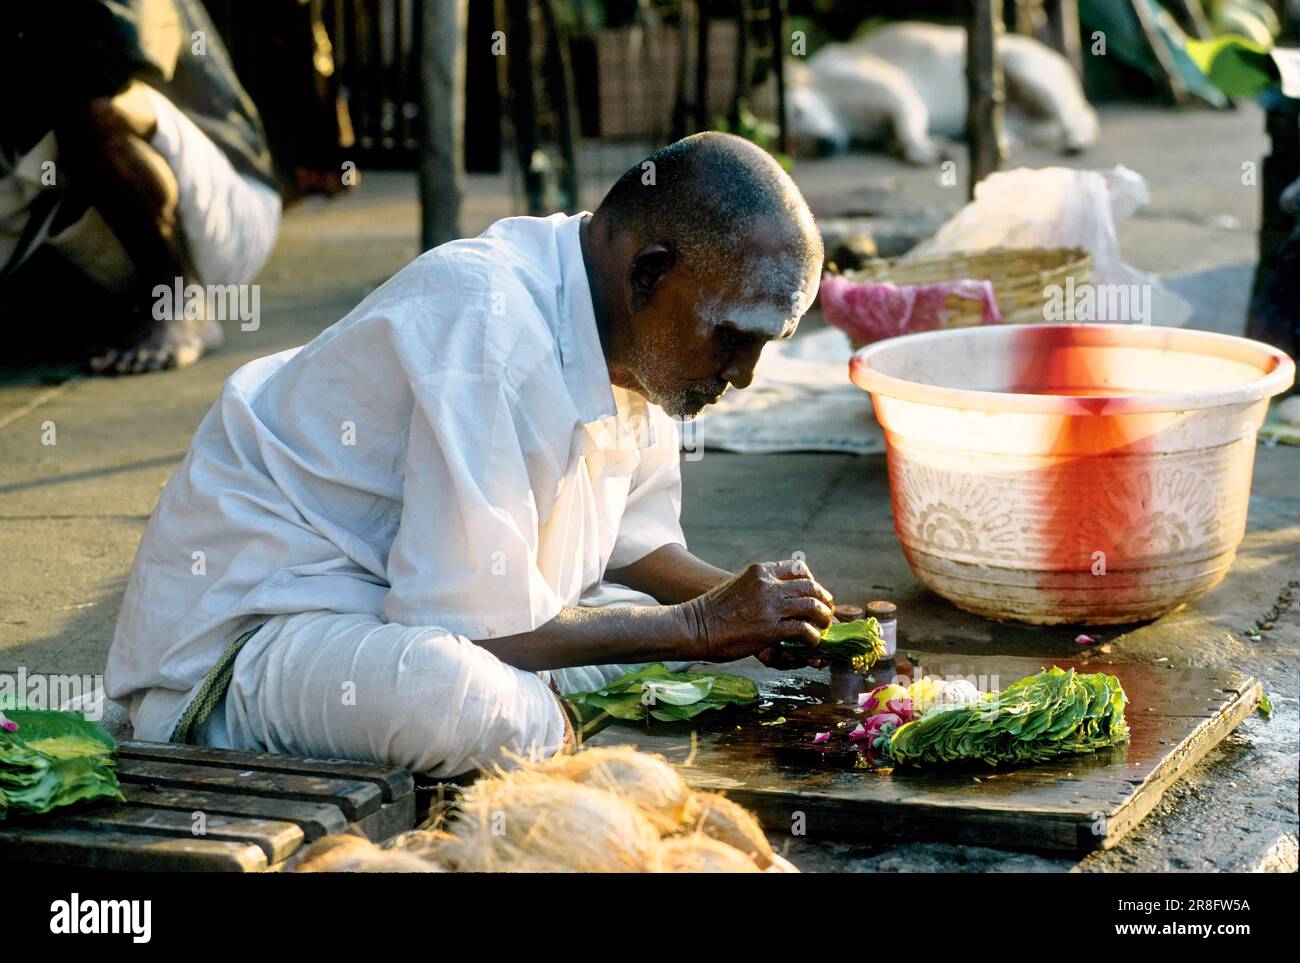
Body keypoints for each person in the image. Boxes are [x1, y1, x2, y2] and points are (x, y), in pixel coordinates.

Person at [105, 132, 832, 777]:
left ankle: (556, 719)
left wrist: (753, 610)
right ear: (650, 274)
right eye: (735, 338)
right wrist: (704, 625)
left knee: (677, 655)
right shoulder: (491, 328)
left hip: (423, 609)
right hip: (250, 641)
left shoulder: (643, 336)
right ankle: (548, 736)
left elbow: (632, 547)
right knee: (467, 701)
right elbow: (473, 626)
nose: (743, 374)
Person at [0, 0, 281, 374]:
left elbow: (107, 61)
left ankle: (180, 301)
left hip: (227, 223)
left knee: (100, 108)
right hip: (101, 256)